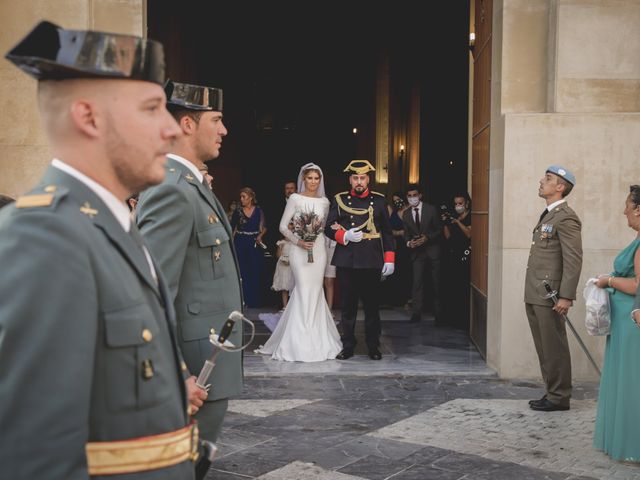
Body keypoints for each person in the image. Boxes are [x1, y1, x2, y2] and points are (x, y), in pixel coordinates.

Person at [0, 21, 198, 478]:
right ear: (89, 117)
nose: (172, 130)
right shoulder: (45, 237)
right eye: (152, 109)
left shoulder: (109, 222)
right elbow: (39, 459)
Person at [136, 80, 243, 443]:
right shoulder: (171, 190)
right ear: (187, 124)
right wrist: (177, 375)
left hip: (208, 362)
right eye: (217, 119)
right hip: (194, 372)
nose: (224, 130)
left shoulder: (190, 183)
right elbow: (150, 293)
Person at [257, 163, 342, 361]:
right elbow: (282, 226)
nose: (313, 182)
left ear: (320, 181)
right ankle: (298, 341)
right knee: (303, 290)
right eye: (310, 178)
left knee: (315, 290)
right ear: (303, 179)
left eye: (317, 178)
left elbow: (325, 227)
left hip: (318, 250)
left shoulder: (324, 201)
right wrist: (299, 240)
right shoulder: (295, 198)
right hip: (299, 249)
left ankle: (317, 338)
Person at [525, 165, 582, 412]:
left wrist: (567, 296)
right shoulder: (549, 215)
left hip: (551, 294)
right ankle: (552, 392)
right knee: (544, 346)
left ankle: (559, 396)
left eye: (547, 179)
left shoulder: (566, 217)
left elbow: (573, 258)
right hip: (536, 291)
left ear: (560, 187)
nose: (541, 181)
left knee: (554, 346)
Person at [325, 160, 395, 360]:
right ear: (350, 179)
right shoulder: (340, 200)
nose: (359, 182)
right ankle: (348, 346)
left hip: (372, 259)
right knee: (348, 307)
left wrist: (389, 259)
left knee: (372, 307)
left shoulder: (379, 201)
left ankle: (373, 346)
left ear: (368, 179)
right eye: (355, 178)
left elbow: (388, 234)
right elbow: (328, 227)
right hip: (348, 260)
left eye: (362, 178)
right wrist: (344, 236)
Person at [592, 184, 640, 462]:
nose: (623, 211)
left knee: (631, 382)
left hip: (631, 321)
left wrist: (607, 281)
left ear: (638, 208)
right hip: (622, 322)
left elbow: (637, 286)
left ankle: (632, 443)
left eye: (627, 205)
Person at [402, 184, 443, 324]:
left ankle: (439, 314)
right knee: (417, 283)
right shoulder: (406, 214)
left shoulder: (431, 210)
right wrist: (409, 243)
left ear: (420, 195)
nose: (412, 198)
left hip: (432, 250)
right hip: (417, 253)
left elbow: (439, 230)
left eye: (414, 195)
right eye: (409, 196)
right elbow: (406, 234)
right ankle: (416, 313)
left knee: (436, 282)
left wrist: (428, 237)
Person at [231, 187, 267, 307]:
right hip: (240, 242)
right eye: (241, 197)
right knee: (242, 271)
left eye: (244, 197)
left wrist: (260, 236)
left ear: (250, 198)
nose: (241, 199)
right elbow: (231, 228)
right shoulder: (238, 211)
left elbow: (264, 227)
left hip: (254, 243)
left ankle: (255, 301)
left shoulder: (258, 211)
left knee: (255, 270)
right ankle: (243, 300)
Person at [442, 192, 472, 329]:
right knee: (452, 286)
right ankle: (452, 319)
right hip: (453, 254)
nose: (458, 206)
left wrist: (458, 222)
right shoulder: (455, 217)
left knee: (463, 286)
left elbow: (469, 234)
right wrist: (445, 224)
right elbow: (448, 237)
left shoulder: (470, 216)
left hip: (466, 254)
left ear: (466, 203)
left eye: (460, 203)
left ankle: (464, 320)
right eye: (456, 204)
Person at [384, 191, 411, 308]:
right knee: (398, 272)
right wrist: (399, 232)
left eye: (398, 199)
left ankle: (409, 299)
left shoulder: (411, 210)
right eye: (394, 201)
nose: (397, 202)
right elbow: (389, 230)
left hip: (410, 244)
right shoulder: (394, 212)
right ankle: (398, 299)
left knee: (409, 272)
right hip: (398, 245)